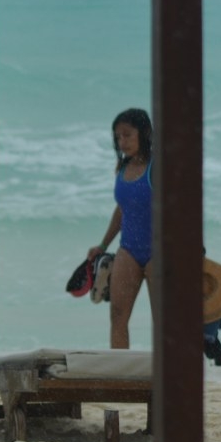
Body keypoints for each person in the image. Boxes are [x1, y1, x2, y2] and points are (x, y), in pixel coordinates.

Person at [88, 108, 154, 350]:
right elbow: (122, 209)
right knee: (117, 315)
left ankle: (164, 379)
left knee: (162, 322)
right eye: (118, 137)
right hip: (129, 250)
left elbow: (178, 208)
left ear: (144, 132)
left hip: (158, 251)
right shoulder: (123, 168)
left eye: (127, 135)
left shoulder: (157, 168)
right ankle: (122, 377)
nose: (122, 142)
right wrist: (103, 245)